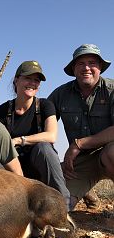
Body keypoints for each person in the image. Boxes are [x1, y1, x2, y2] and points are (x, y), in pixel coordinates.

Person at [0, 61, 70, 209]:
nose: (32, 83)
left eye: (36, 80)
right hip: (13, 170)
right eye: (28, 78)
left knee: (44, 148)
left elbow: (51, 135)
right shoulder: (3, 110)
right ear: (16, 80)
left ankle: (63, 207)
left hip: (38, 167)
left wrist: (19, 140)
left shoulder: (45, 105)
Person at [48, 44, 114, 210]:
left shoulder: (112, 90)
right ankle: (86, 190)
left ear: (100, 67)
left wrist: (79, 144)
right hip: (80, 163)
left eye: (92, 62)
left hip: (108, 153)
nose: (86, 68)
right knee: (57, 207)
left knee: (111, 154)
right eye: (80, 63)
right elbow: (42, 126)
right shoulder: (60, 94)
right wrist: (53, 162)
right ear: (74, 68)